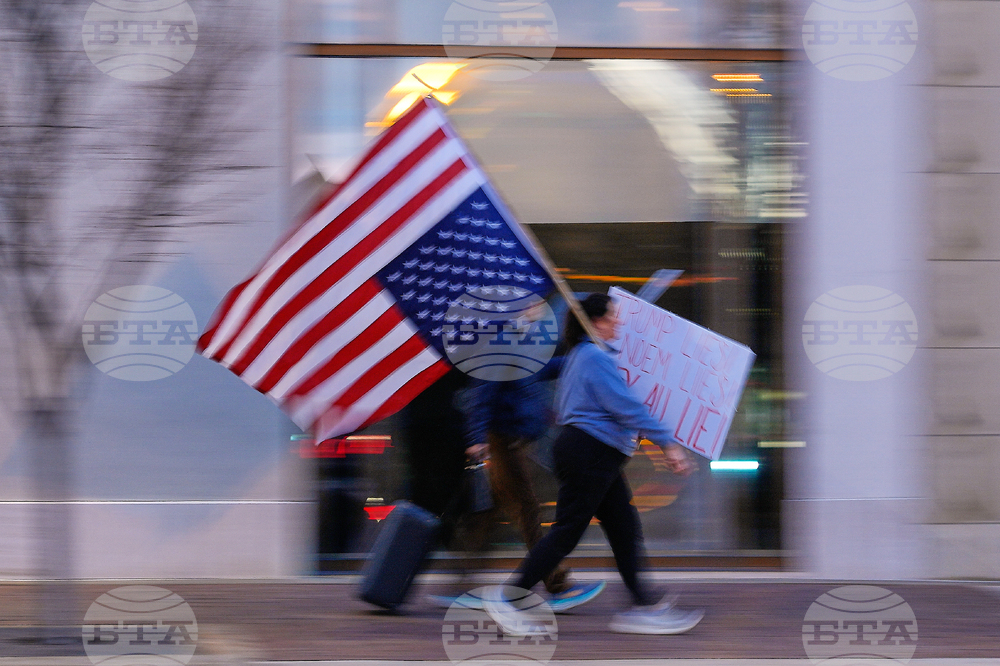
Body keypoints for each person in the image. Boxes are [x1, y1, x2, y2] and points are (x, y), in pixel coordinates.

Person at [483, 292, 704, 635]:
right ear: (597, 322)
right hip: (590, 452)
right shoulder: (593, 358)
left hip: (590, 452)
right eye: (613, 316)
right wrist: (667, 444)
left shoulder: (585, 355)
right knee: (568, 532)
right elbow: (626, 405)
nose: (619, 321)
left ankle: (642, 606)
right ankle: (510, 597)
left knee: (623, 528)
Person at [454, 362, 606, 612]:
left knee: (494, 512)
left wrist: (579, 357)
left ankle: (460, 579)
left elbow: (544, 369)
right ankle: (557, 583)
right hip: (503, 440)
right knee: (527, 511)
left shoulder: (526, 347)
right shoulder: (504, 344)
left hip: (518, 440)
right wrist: (476, 437)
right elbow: (483, 390)